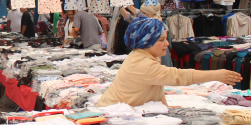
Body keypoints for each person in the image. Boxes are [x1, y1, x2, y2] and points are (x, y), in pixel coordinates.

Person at [98, 17, 242, 107]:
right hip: (114, 113)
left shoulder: (144, 56)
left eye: (166, 39)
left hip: (120, 110)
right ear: (146, 42)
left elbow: (156, 86)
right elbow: (177, 76)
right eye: (161, 40)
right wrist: (215, 75)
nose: (167, 44)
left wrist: (165, 108)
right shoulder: (142, 64)